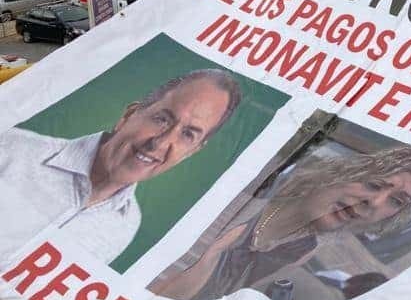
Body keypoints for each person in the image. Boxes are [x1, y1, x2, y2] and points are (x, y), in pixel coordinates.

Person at [150, 146, 411, 300]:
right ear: (337, 174)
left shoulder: (302, 249)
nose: (374, 202)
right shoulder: (244, 199)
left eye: (395, 201)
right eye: (373, 184)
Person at [0, 69, 241, 262]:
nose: (161, 143)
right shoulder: (12, 147)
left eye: (188, 134)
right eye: (162, 119)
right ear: (129, 115)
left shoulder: (126, 225)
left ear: (192, 152)